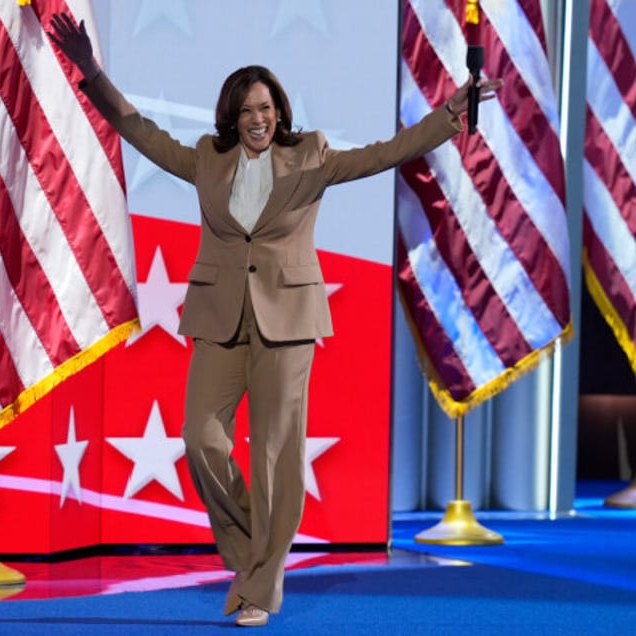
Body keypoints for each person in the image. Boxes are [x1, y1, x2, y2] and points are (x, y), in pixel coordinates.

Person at [49, 12, 502, 628]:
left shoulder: (310, 155)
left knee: (274, 455)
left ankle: (263, 586)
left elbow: (385, 154)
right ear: (231, 119)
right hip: (219, 318)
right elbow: (138, 130)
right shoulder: (209, 159)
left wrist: (450, 115)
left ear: (278, 110)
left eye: (264, 107)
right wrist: (92, 72)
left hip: (287, 322)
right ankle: (251, 560)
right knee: (200, 439)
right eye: (246, 112)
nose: (258, 119)